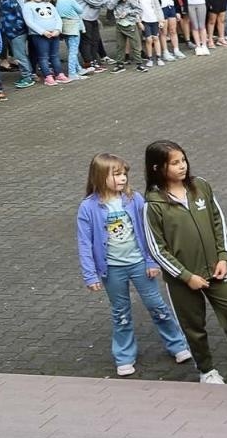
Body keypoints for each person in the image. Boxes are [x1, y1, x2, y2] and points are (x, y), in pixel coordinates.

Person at [143, 140, 227, 387]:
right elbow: (157, 248)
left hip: (215, 271)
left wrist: (223, 257)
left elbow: (218, 221)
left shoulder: (200, 187)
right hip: (183, 280)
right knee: (194, 326)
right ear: (157, 168)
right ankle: (207, 371)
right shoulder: (153, 204)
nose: (182, 166)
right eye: (174, 163)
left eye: (182, 160)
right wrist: (186, 276)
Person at [77, 153, 193, 378]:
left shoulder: (134, 199)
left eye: (124, 174)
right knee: (121, 313)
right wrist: (90, 275)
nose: (122, 179)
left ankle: (178, 345)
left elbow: (148, 232)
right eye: (117, 175)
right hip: (111, 270)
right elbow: (84, 242)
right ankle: (124, 356)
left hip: (139, 264)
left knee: (158, 307)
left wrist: (151, 260)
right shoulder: (88, 208)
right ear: (100, 177)